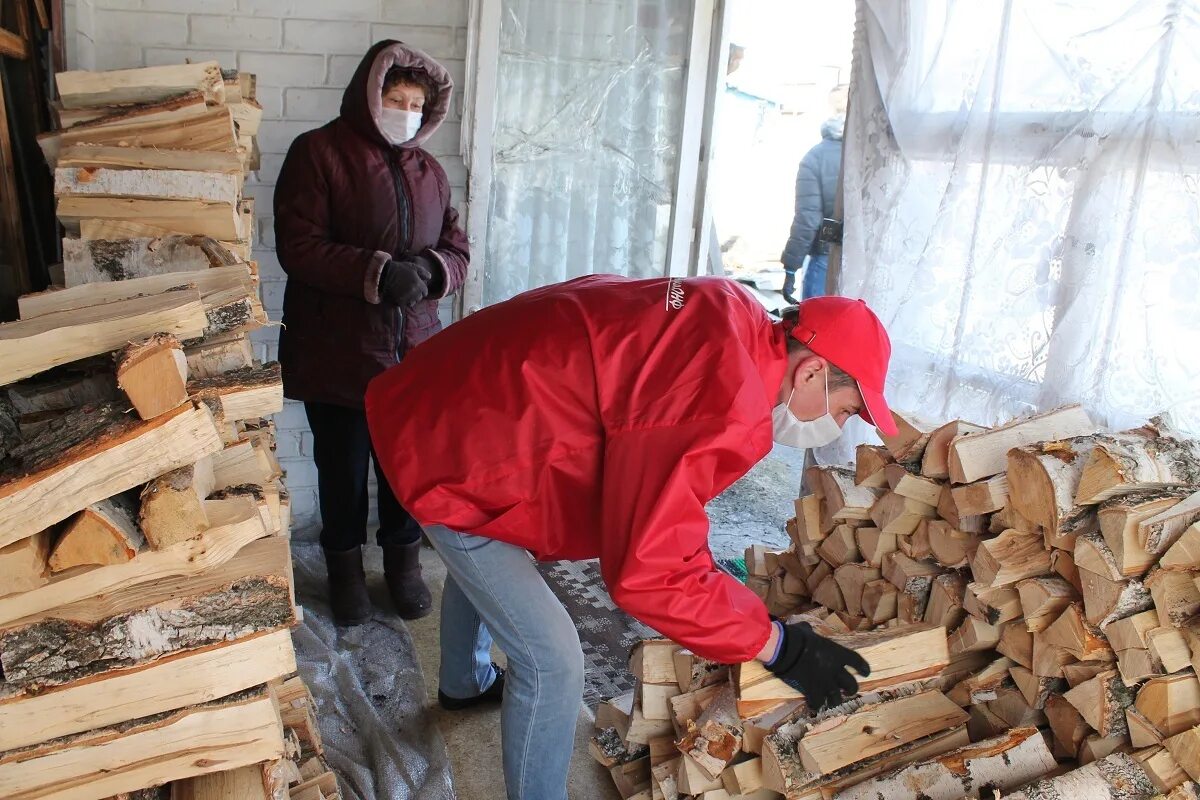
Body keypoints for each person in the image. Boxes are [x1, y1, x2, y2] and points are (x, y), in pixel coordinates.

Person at [366, 275, 897, 800]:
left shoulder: (730, 310)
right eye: (847, 409)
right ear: (811, 372)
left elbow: (666, 500)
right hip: (455, 450)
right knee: (552, 662)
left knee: (496, 564)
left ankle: (463, 683)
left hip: (455, 389)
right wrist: (778, 646)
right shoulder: (726, 403)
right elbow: (650, 572)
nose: (841, 423)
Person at [274, 40, 470, 626]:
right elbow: (299, 246)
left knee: (403, 470)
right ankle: (346, 576)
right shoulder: (317, 153)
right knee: (341, 470)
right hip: (337, 350)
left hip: (413, 355)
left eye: (416, 102)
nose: (406, 110)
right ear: (370, 95)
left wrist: (432, 272)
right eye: (395, 97)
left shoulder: (429, 170)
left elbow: (458, 248)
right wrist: (379, 275)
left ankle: (403, 569)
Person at [781, 86, 848, 302]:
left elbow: (808, 219)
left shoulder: (815, 157)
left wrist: (791, 267)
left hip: (825, 259)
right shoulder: (874, 155)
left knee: (815, 329)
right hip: (866, 259)